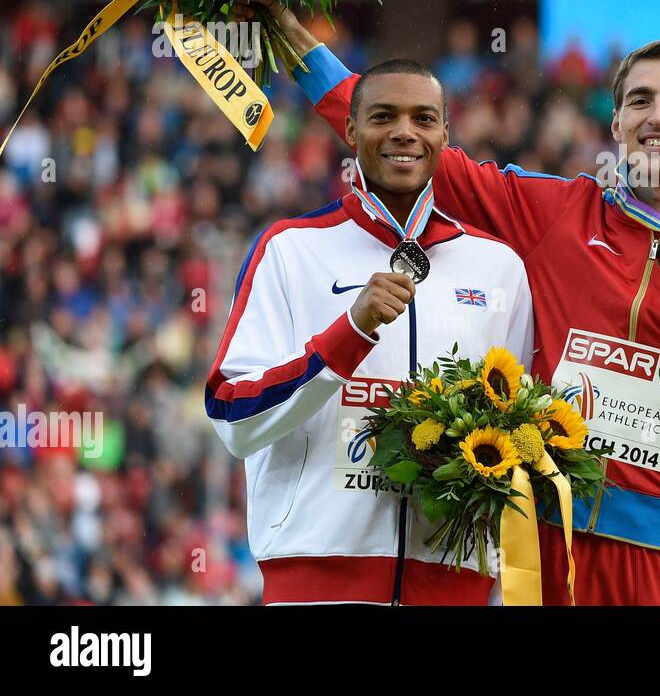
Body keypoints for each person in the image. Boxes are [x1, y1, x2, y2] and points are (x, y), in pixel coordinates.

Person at [261, 0, 660, 605]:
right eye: (639, 101)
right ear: (616, 124)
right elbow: (400, 140)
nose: (659, 116)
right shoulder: (556, 214)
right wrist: (288, 35)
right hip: (549, 552)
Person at [206, 58, 533, 605]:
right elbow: (233, 417)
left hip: (456, 591)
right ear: (352, 130)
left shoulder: (499, 268)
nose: (405, 132)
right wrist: (350, 332)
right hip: (317, 589)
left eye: (423, 118)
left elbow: (517, 445)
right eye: (384, 115)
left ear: (444, 135)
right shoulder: (290, 249)